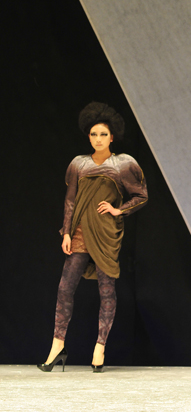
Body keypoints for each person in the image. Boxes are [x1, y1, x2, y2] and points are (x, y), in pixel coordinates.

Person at [39, 102, 148, 373]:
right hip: (79, 230)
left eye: (103, 134)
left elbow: (141, 195)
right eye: (93, 134)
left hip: (106, 232)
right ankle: (57, 346)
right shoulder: (79, 163)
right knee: (65, 288)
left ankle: (100, 347)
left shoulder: (123, 164)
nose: (98, 139)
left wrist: (118, 209)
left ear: (112, 137)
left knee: (106, 288)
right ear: (88, 137)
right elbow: (70, 200)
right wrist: (66, 232)